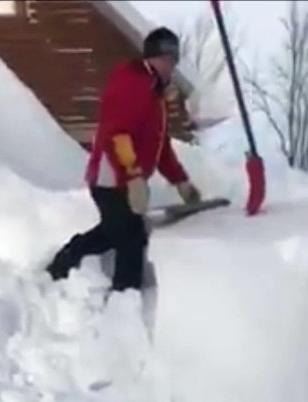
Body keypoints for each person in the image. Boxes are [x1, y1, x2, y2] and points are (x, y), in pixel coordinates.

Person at [46, 27, 202, 292]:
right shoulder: (132, 83)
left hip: (126, 178)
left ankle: (64, 263)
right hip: (109, 178)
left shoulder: (154, 93)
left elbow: (160, 147)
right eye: (165, 60)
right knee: (131, 235)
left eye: (173, 61)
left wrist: (181, 181)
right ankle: (124, 295)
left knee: (115, 231)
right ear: (151, 58)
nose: (170, 66)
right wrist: (133, 175)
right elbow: (117, 134)